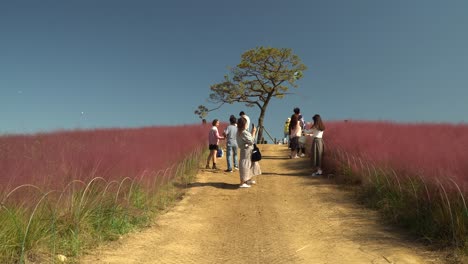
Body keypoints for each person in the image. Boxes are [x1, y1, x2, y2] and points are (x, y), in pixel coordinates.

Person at [236, 117, 261, 188]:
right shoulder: (243, 132)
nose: (247, 124)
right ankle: (242, 182)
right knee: (246, 165)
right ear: (244, 124)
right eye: (246, 123)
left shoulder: (240, 131)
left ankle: (247, 180)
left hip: (245, 150)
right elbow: (251, 141)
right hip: (246, 150)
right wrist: (253, 132)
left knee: (249, 164)